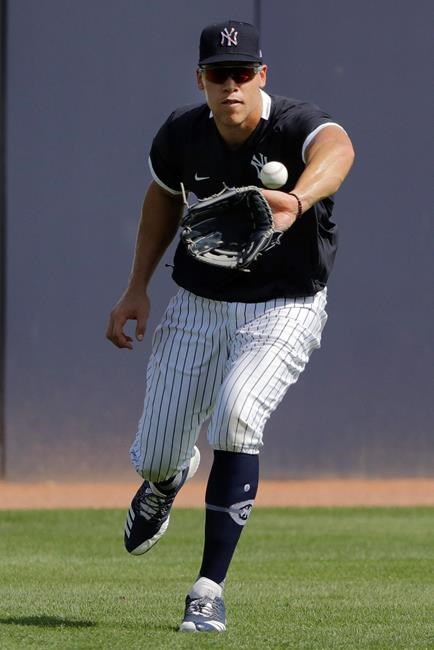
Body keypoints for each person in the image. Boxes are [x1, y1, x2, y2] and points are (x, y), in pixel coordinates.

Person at [106, 19, 354, 633]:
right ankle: (166, 482)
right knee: (159, 453)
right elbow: (163, 195)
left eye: (244, 73)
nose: (232, 85)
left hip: (284, 306)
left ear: (262, 76)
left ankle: (208, 588)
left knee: (238, 412)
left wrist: (297, 201)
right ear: (201, 81)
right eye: (220, 75)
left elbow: (339, 148)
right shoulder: (183, 134)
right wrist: (137, 286)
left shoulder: (292, 123)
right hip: (196, 302)